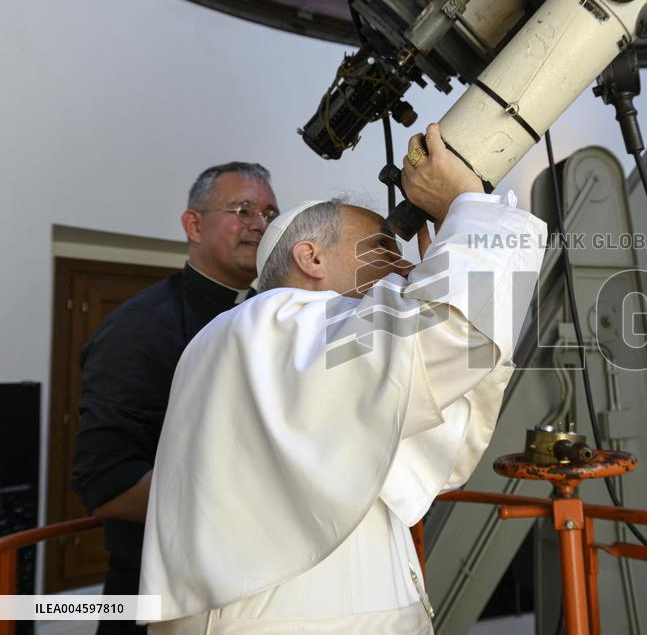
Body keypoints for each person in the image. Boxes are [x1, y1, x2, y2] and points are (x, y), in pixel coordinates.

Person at [138, 124, 546, 634]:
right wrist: (467, 207)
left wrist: (457, 257)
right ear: (310, 257)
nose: (403, 266)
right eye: (382, 248)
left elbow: (443, 436)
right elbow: (440, 338)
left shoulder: (309, 345)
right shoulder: (271, 323)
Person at [70, 162, 280, 634]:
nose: (260, 225)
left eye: (269, 212)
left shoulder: (273, 317)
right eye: (243, 209)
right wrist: (258, 504)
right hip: (151, 594)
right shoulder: (139, 328)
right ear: (193, 225)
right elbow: (107, 482)